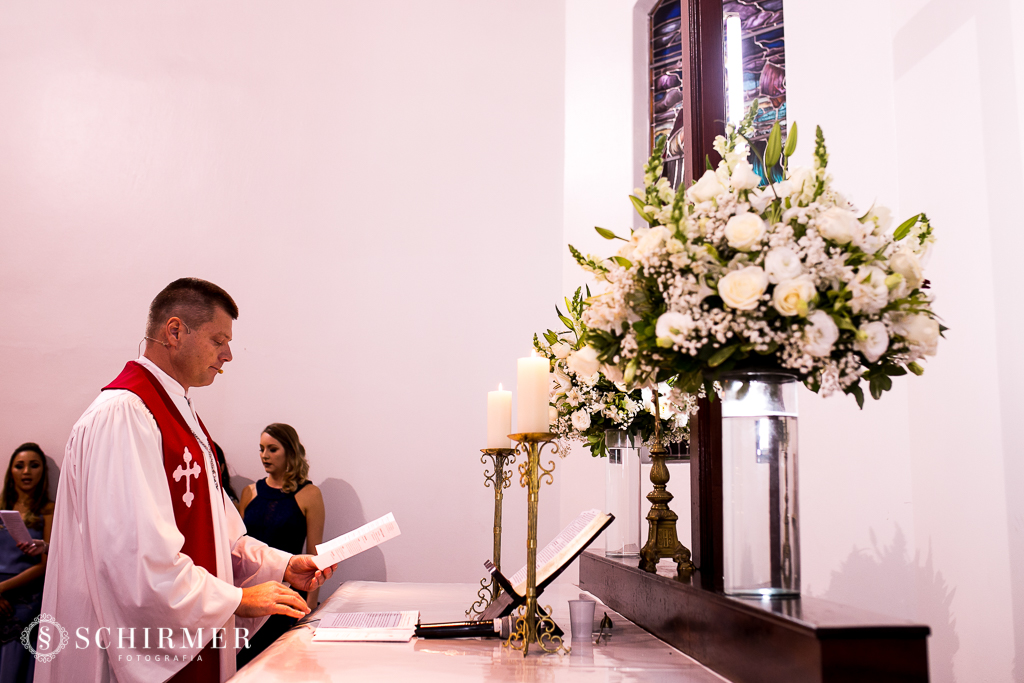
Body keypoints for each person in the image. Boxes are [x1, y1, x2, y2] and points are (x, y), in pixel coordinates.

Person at [36, 278, 337, 683]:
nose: (228, 354)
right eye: (218, 340)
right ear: (174, 331)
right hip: (118, 649)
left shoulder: (182, 418)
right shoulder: (125, 414)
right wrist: (234, 599)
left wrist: (283, 566)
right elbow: (133, 558)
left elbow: (221, 538)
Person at [236, 423, 325, 668]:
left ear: (290, 451)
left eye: (272, 449)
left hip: (288, 597)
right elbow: (238, 546)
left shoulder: (309, 494)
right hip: (251, 595)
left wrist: (309, 610)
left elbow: (316, 555)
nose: (264, 455)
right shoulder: (250, 492)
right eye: (261, 449)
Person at [0, 443, 53, 683]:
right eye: (19, 466)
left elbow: (46, 565)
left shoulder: (49, 511)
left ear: (43, 471)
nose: (26, 471)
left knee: (15, 667)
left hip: (26, 602)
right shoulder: (1, 510)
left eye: (34, 465)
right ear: (10, 471)